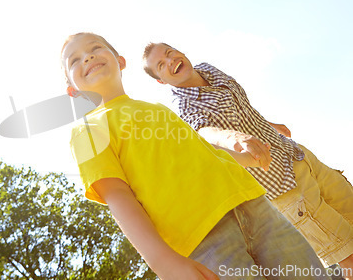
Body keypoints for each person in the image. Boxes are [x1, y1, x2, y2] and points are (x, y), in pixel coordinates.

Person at [61, 32, 330, 279]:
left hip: (255, 205)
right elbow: (116, 195)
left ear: (120, 61)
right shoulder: (86, 130)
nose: (88, 57)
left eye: (96, 48)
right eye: (74, 61)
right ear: (72, 90)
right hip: (203, 239)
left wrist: (246, 158)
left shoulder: (157, 109)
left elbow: (204, 152)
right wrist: (164, 262)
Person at [142, 41, 353, 279]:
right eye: (161, 65)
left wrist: (269, 125)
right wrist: (236, 139)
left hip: (297, 156)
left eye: (170, 53)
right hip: (284, 188)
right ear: (161, 80)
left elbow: (241, 107)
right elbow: (206, 133)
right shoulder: (184, 106)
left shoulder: (208, 69)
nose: (171, 60)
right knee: (347, 255)